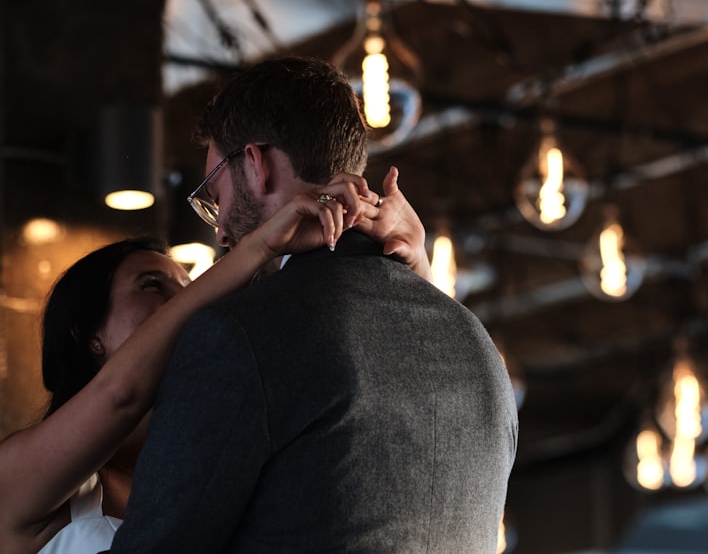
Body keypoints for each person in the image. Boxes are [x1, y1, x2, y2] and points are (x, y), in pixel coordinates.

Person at [108, 57, 518, 553]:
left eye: (215, 194)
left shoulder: (238, 335)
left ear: (256, 166)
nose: (218, 230)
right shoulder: (478, 349)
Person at [0, 169, 427, 554]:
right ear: (88, 333)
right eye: (152, 284)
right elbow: (120, 393)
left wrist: (416, 272)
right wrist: (260, 245)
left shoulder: (225, 460)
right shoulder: (18, 481)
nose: (184, 298)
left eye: (188, 284)